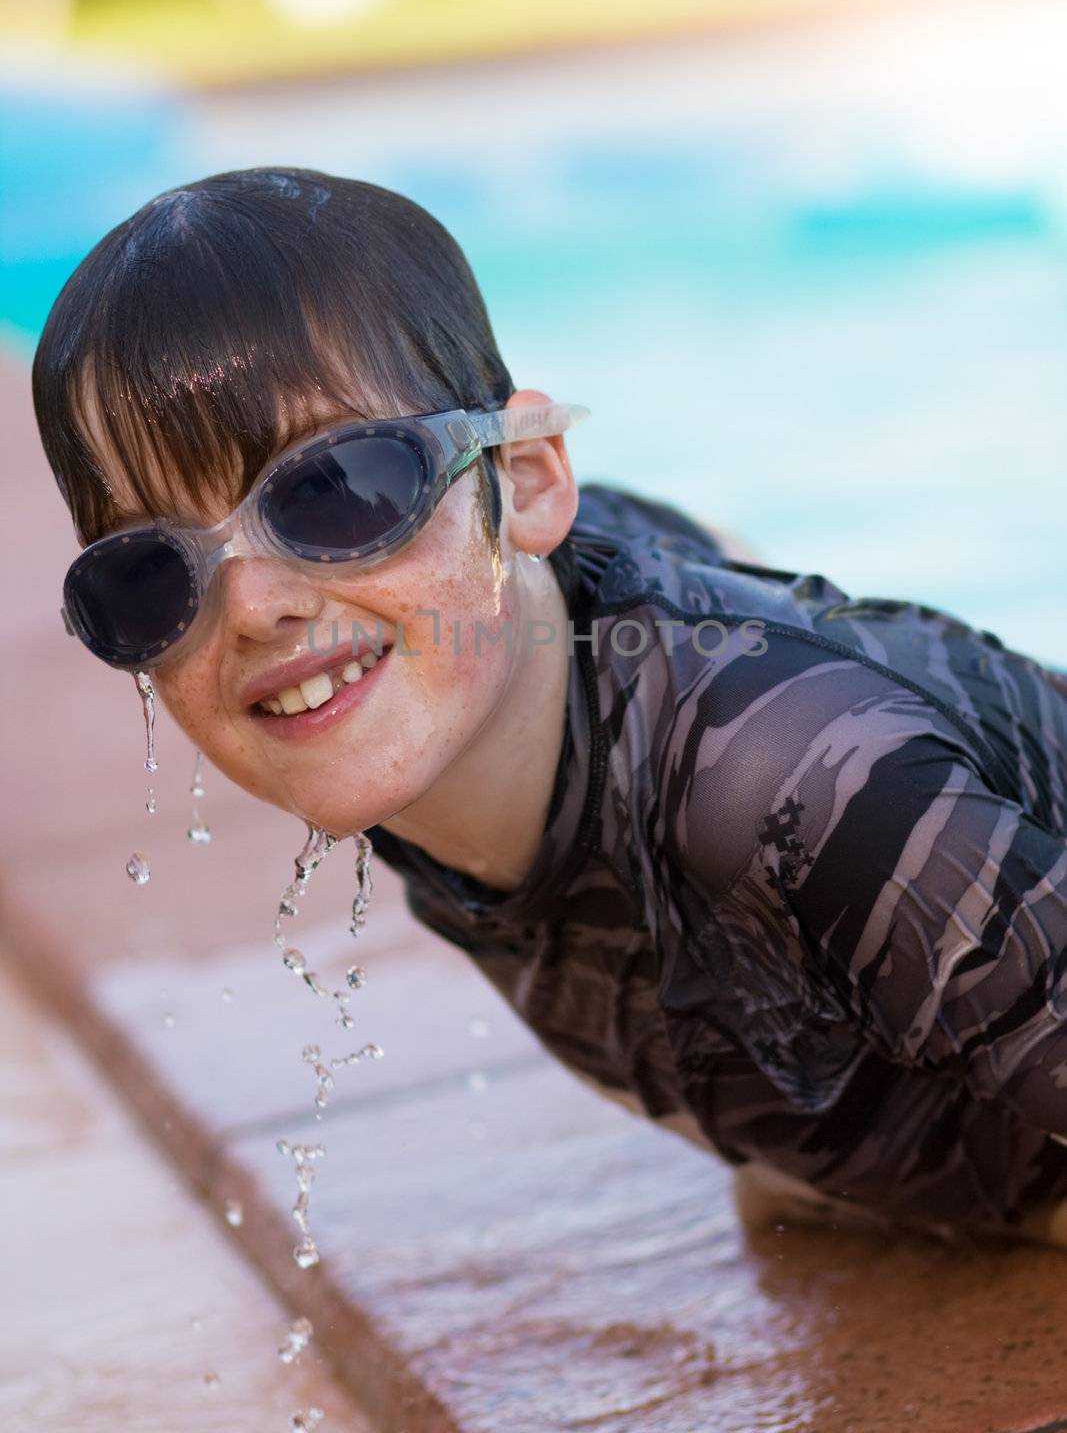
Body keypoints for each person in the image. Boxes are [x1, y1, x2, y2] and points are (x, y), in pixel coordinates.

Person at [33, 165, 1067, 1250]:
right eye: (150, 574)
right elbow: (690, 548)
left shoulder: (790, 785)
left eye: (332, 492)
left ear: (526, 481)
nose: (251, 607)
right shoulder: (460, 674)